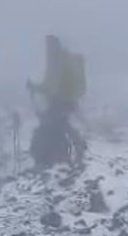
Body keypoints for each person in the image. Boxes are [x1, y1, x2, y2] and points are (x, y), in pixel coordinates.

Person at [28, 35, 86, 169]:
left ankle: (52, 159)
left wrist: (34, 87)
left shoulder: (56, 62)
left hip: (58, 103)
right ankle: (72, 152)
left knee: (50, 130)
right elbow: (51, 84)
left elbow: (50, 85)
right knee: (60, 128)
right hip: (66, 103)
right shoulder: (63, 60)